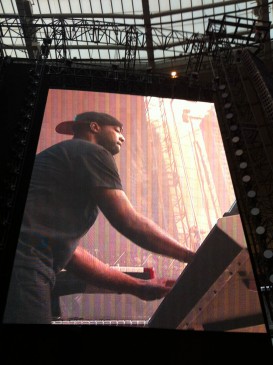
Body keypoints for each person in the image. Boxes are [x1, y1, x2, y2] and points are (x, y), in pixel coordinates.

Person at [3, 111, 195, 324]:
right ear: (94, 127)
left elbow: (73, 256)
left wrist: (139, 287)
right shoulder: (91, 151)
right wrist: (191, 256)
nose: (122, 137)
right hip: (24, 266)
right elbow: (128, 221)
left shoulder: (60, 160)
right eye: (117, 130)